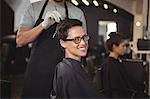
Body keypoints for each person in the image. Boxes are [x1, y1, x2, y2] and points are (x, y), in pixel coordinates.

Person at [16, 0, 86, 98]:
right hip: (37, 74)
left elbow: (82, 45)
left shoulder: (77, 13)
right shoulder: (34, 8)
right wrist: (43, 25)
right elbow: (20, 40)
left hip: (65, 74)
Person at [53, 19, 103, 98]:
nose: (83, 43)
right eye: (76, 39)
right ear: (63, 43)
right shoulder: (66, 71)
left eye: (84, 37)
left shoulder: (75, 66)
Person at [100, 32, 135, 98]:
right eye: (123, 46)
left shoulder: (115, 61)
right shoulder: (110, 65)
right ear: (114, 47)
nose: (125, 48)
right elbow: (114, 89)